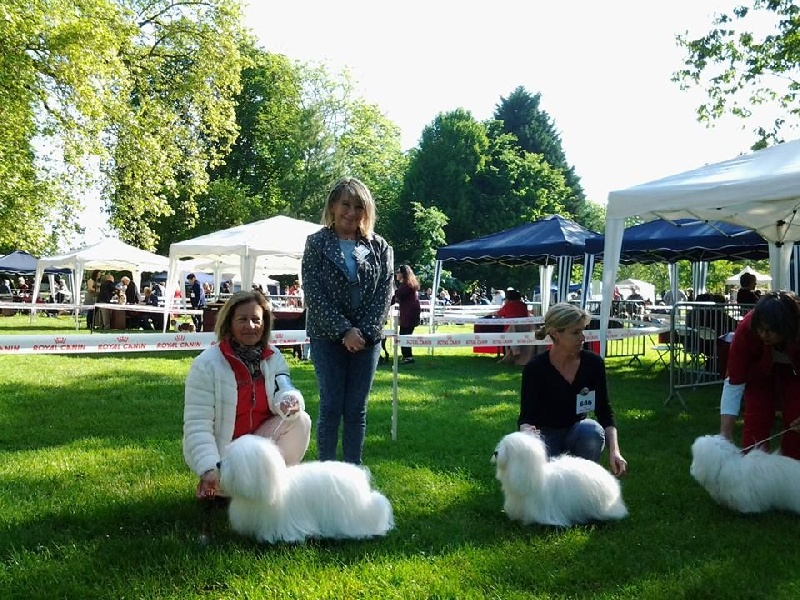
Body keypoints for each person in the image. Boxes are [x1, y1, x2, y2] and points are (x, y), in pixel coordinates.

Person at [183, 290, 312, 500]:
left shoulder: (274, 356)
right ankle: (221, 484)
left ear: (265, 324)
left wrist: (290, 400)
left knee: (300, 420)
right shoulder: (206, 364)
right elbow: (197, 425)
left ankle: (274, 486)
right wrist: (208, 468)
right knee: (225, 495)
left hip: (260, 441)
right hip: (225, 450)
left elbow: (284, 388)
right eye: (242, 319)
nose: (250, 326)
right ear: (229, 323)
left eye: (256, 319)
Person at [301, 176, 393, 465]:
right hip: (326, 338)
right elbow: (313, 292)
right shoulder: (316, 243)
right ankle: (325, 475)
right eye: (346, 205)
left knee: (356, 410)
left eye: (358, 206)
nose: (351, 212)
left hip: (367, 340)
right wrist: (344, 330)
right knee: (330, 408)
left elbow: (385, 292)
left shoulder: (379, 246)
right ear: (332, 206)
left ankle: (353, 474)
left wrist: (363, 332)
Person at [517, 302, 628, 476]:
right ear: (556, 334)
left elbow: (605, 412)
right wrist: (527, 434)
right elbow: (526, 417)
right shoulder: (535, 368)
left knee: (591, 430)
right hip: (545, 436)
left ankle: (584, 481)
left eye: (583, 331)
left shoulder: (593, 364)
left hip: (577, 431)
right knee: (548, 481)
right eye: (576, 332)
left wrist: (615, 451)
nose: (583, 337)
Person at [720, 291, 800, 458]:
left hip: (795, 372)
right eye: (760, 329)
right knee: (756, 417)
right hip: (759, 371)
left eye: (769, 330)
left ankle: (793, 467)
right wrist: (725, 434)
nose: (763, 334)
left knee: (795, 419)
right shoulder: (746, 330)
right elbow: (734, 381)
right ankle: (752, 470)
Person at [494, 288, 533, 365]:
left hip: (509, 330)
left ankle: (507, 355)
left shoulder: (507, 305)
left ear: (508, 298)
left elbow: (499, 313)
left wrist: (490, 313)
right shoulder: (524, 305)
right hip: (524, 330)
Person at [394, 264, 421, 364]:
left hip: (408, 314)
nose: (396, 274)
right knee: (405, 334)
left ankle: (408, 357)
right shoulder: (408, 284)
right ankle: (407, 356)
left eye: (398, 272)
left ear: (403, 273)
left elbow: (398, 295)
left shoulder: (406, 285)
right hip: (411, 313)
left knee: (404, 335)